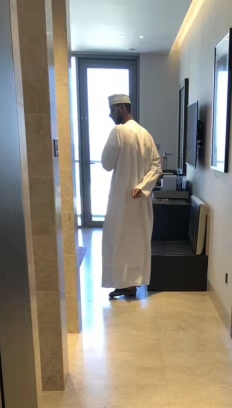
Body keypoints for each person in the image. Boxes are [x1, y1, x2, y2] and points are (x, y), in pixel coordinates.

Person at [101, 94, 162, 299]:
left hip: (121, 201)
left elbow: (106, 164)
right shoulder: (146, 135)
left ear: (121, 108)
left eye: (112, 110)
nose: (110, 115)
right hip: (140, 201)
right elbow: (157, 167)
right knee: (137, 242)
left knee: (118, 241)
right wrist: (143, 187)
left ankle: (123, 283)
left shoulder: (119, 132)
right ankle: (132, 283)